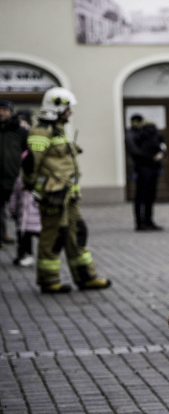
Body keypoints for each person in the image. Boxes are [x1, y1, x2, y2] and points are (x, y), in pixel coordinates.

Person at [23, 87, 111, 292]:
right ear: (56, 108)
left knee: (77, 234)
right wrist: (36, 189)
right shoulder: (41, 131)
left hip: (68, 196)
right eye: (68, 108)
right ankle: (48, 280)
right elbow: (30, 165)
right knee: (53, 237)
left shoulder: (59, 130)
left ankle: (86, 277)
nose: (70, 112)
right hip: (52, 197)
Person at [125, 114, 166, 231]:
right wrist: (157, 157)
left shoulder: (139, 135)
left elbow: (135, 151)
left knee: (144, 196)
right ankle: (145, 221)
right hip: (150, 167)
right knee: (147, 196)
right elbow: (163, 147)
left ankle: (143, 222)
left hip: (144, 168)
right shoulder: (151, 135)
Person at [0, 99, 27, 249]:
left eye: (4, 109)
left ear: (11, 111)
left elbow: (28, 153)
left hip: (15, 178)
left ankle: (22, 243)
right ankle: (1, 237)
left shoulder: (20, 132)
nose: (1, 112)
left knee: (18, 212)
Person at [8, 156, 40, 266]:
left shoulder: (35, 179)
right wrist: (13, 210)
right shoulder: (21, 180)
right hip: (25, 217)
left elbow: (14, 197)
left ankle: (28, 255)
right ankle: (25, 255)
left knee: (26, 238)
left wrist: (13, 210)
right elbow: (15, 196)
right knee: (24, 238)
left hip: (31, 217)